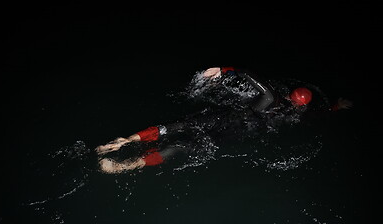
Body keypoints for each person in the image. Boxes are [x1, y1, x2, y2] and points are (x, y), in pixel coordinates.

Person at [96, 67, 353, 174]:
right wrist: (336, 107)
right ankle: (123, 166)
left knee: (176, 126)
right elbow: (321, 114)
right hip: (231, 133)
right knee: (182, 146)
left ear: (289, 95)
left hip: (222, 117)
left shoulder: (270, 99)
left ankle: (126, 140)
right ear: (301, 106)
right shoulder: (294, 115)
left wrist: (224, 70)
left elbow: (253, 79)